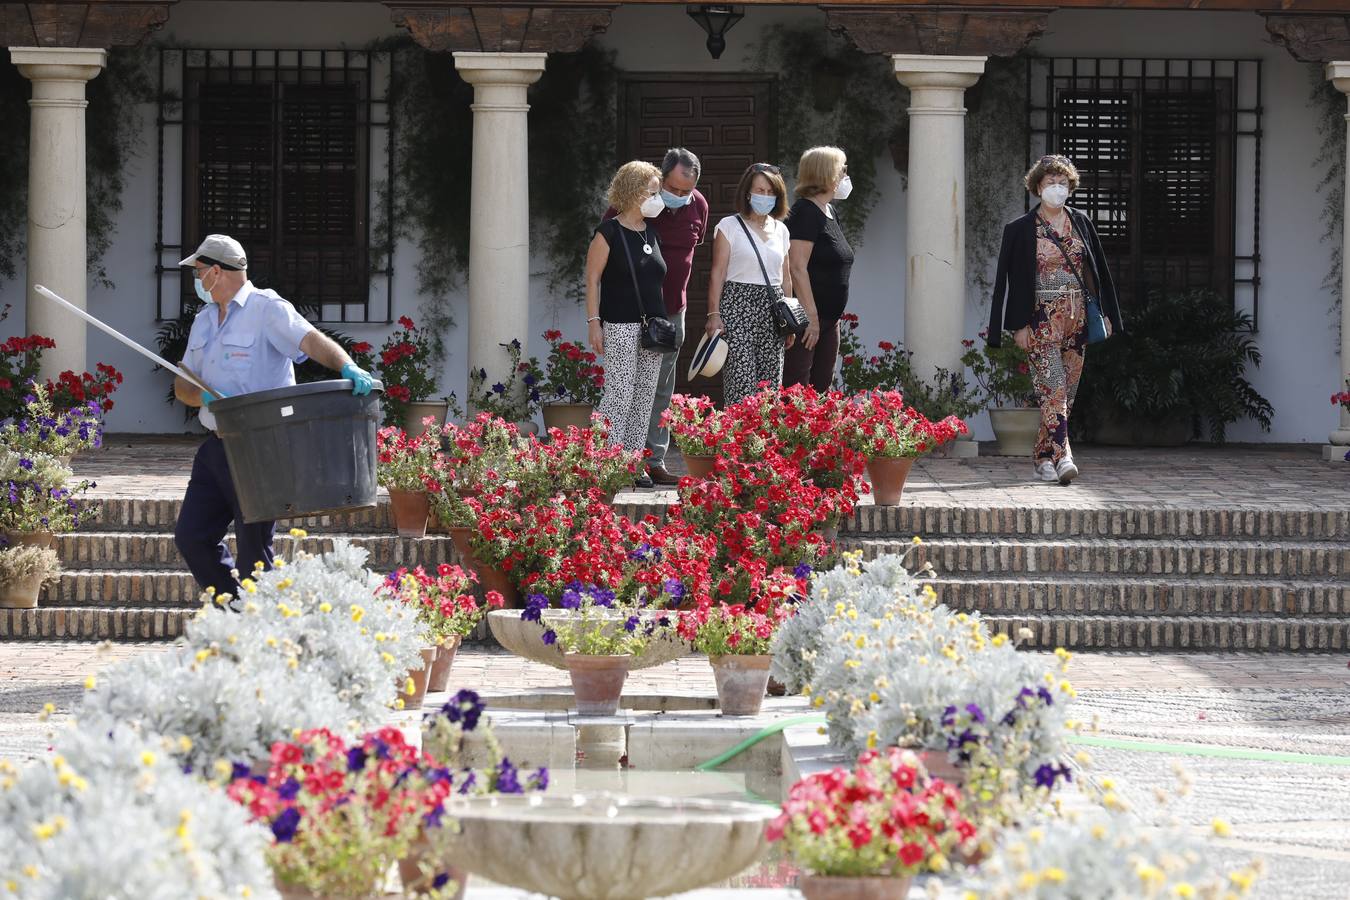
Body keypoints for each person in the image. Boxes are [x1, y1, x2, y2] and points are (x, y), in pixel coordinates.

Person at [172, 234, 375, 600]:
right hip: (216, 448)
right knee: (191, 537)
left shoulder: (267, 309)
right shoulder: (204, 320)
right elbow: (181, 384)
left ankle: (260, 626)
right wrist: (201, 393)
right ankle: (234, 610)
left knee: (255, 554)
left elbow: (310, 340)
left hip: (260, 449)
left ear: (217, 272)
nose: (196, 280)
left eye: (199, 271)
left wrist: (347, 365)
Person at [987, 155, 1123, 486]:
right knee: (1054, 389)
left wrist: (1105, 312)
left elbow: (1098, 271)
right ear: (1037, 187)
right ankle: (1063, 457)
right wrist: (1015, 325)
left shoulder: (1081, 223)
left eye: (1063, 183)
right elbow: (1005, 280)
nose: (1057, 189)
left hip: (1077, 320)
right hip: (1040, 320)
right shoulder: (1019, 230)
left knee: (1068, 393)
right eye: (1050, 183)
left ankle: (1043, 459)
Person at [604, 148, 709, 486]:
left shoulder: (700, 206)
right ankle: (613, 461)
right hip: (630, 313)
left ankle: (653, 460)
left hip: (671, 313)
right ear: (661, 179)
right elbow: (605, 253)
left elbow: (692, 252)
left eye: (686, 191)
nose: (680, 197)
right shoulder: (636, 204)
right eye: (674, 189)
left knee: (660, 389)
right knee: (623, 389)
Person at [585, 161, 668, 484]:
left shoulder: (652, 232)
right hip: (619, 324)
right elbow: (592, 280)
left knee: (644, 395)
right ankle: (607, 462)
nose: (656, 198)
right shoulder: (609, 232)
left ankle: (632, 463)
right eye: (652, 192)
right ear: (633, 192)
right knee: (619, 394)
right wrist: (595, 322)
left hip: (653, 328)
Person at [706, 162, 793, 407]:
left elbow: (786, 277)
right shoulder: (729, 226)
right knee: (740, 381)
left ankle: (763, 444)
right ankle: (739, 442)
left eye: (770, 192)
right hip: (737, 305)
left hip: (774, 309)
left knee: (770, 386)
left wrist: (790, 319)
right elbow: (717, 273)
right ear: (747, 192)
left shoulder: (781, 230)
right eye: (759, 190)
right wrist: (713, 314)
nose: (764, 196)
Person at [784, 146, 855, 392]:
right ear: (826, 174)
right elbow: (797, 267)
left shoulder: (830, 211)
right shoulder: (805, 212)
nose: (846, 175)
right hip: (808, 320)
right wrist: (811, 318)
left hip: (829, 319)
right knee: (797, 392)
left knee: (821, 391)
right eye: (842, 169)